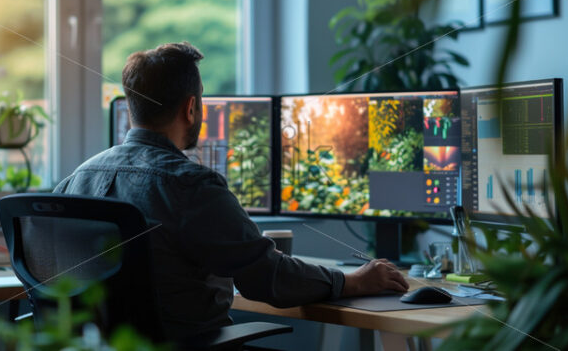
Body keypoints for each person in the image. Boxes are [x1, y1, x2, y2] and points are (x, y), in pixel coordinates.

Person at [54, 42, 409, 339]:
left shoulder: (76, 180)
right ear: (191, 108)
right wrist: (354, 281)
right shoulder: (191, 185)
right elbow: (268, 279)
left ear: (132, 107)